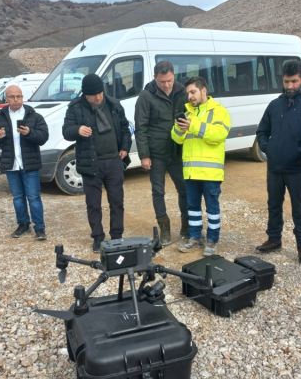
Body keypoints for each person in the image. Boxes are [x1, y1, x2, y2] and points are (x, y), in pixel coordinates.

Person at [255, 59, 301, 264]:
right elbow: (262, 131)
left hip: (297, 168)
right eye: (286, 82)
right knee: (273, 205)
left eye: (294, 81)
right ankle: (274, 239)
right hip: (274, 167)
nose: (290, 86)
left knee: (299, 209)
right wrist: (268, 148)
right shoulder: (274, 105)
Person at [62, 73, 132, 252]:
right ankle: (97, 237)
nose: (98, 97)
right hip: (91, 163)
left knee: (117, 201)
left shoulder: (114, 105)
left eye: (100, 92)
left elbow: (125, 128)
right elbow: (66, 131)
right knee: (93, 203)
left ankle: (117, 236)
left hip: (114, 161)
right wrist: (77, 129)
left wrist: (125, 146)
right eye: (93, 95)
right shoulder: (75, 108)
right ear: (85, 94)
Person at [172, 76, 231, 256]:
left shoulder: (219, 111)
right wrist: (179, 129)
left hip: (210, 173)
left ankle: (212, 241)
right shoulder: (188, 113)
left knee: (212, 209)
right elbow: (175, 138)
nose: (189, 96)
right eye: (187, 93)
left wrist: (194, 125)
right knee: (193, 208)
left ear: (204, 90)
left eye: (193, 92)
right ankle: (195, 238)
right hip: (191, 172)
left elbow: (219, 134)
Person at [134, 60, 188, 244]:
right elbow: (140, 127)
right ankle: (164, 230)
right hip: (156, 154)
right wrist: (144, 155)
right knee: (158, 192)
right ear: (155, 77)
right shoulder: (145, 96)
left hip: (178, 152)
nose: (166, 85)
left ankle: (186, 227)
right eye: (162, 81)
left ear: (174, 75)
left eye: (169, 80)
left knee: (185, 190)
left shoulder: (183, 92)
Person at [0, 85, 49, 240]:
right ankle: (23, 224)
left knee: (34, 197)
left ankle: (39, 228)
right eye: (12, 97)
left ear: (23, 98)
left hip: (30, 163)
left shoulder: (34, 116)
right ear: (6, 99)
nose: (16, 100)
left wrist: (30, 133)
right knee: (18, 197)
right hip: (11, 164)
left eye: (19, 97)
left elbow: (43, 137)